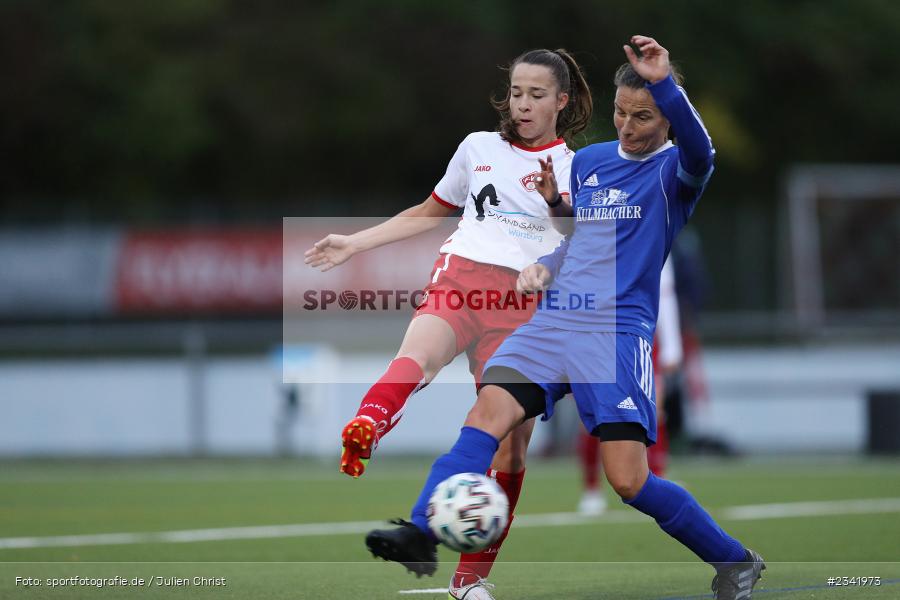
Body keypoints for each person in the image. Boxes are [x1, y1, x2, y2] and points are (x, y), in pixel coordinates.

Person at [365, 36, 765, 600]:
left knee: (628, 481)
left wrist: (665, 79)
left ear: (667, 120)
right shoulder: (593, 162)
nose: (627, 126)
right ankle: (422, 531)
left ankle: (734, 559)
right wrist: (548, 252)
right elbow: (582, 241)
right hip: (554, 324)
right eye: (621, 113)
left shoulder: (679, 170)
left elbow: (704, 148)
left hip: (616, 335)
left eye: (643, 116)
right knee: (485, 417)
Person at [305, 48, 592, 599]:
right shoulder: (477, 148)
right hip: (461, 277)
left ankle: (469, 584)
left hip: (524, 304)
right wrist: (353, 242)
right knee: (416, 359)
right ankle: (365, 425)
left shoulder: (578, 166)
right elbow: (429, 211)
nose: (523, 104)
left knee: (511, 449)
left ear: (563, 101)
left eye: (536, 94)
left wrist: (556, 202)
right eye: (515, 92)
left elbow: (579, 235)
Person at [577, 256, 682, 515]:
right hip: (595, 333)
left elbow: (665, 293)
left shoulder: (652, 229)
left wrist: (671, 345)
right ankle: (591, 489)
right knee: (591, 412)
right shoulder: (590, 228)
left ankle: (656, 479)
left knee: (653, 406)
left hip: (640, 332)